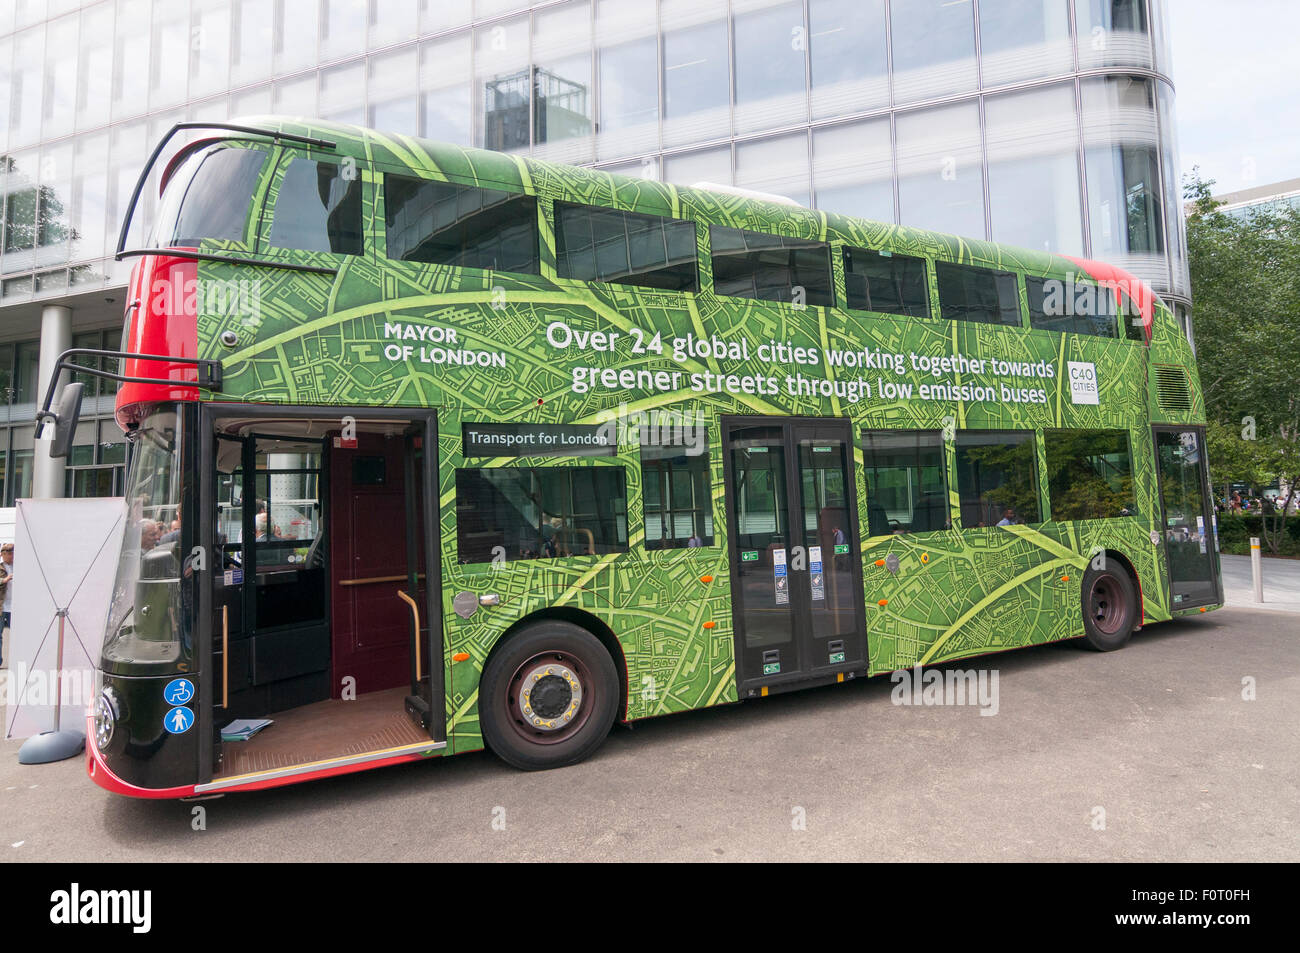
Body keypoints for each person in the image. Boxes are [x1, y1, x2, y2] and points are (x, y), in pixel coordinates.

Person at [0, 543, 11, 667]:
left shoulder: (20, 566)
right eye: (6, 553)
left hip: (16, 608)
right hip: (2, 608)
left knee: (21, 634)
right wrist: (4, 579)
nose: (9, 555)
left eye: (11, 553)